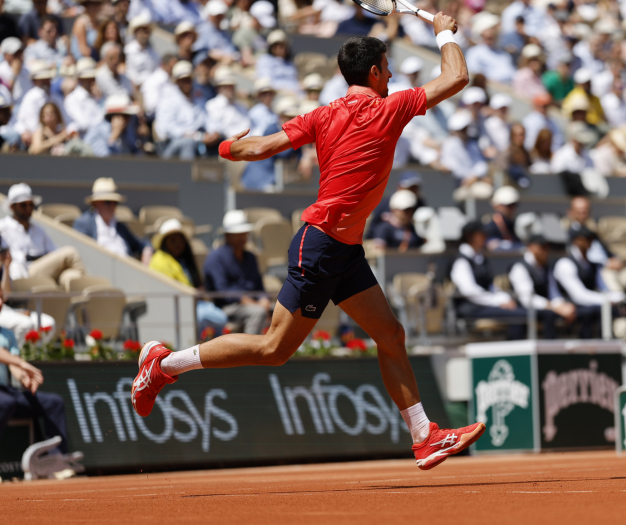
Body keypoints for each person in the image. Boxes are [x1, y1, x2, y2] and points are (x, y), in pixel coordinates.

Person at [130, 24, 486, 470]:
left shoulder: (322, 114)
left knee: (391, 334)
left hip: (344, 250)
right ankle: (163, 366)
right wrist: (444, 34)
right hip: (320, 246)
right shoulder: (390, 108)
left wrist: (226, 146)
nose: (392, 76)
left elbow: (260, 147)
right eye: (388, 70)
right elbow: (456, 77)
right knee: (272, 348)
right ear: (374, 72)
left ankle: (424, 436)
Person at [450, 220, 527, 340]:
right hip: (471, 308)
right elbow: (469, 291)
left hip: (484, 305)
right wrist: (497, 301)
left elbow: (490, 285)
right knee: (518, 316)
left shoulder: (481, 258)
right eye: (481, 234)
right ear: (470, 236)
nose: (485, 237)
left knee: (522, 312)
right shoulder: (461, 260)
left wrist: (504, 298)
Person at [149, 218, 227, 334]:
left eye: (180, 240)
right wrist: (193, 293)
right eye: (173, 240)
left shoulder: (183, 259)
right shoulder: (159, 260)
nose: (178, 244)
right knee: (213, 318)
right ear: (165, 242)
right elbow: (169, 289)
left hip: (193, 305)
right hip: (177, 308)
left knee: (220, 317)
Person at [0, 332, 71, 458]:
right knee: (6, 402)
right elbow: (12, 359)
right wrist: (22, 363)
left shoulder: (8, 333)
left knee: (54, 403)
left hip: (5, 390)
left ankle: (57, 460)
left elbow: (12, 363)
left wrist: (23, 378)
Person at [0, 184, 85, 285]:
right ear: (12, 206)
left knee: (70, 276)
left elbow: (54, 252)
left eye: (31, 205)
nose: (28, 208)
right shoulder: (3, 227)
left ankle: (88, 297)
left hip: (43, 271)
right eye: (23, 205)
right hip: (22, 273)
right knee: (70, 253)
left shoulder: (38, 229)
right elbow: (11, 261)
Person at [202, 210, 268, 335]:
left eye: (244, 233)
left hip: (252, 303)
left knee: (283, 310)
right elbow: (222, 291)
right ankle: (249, 352)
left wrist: (263, 299)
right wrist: (245, 300)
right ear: (227, 235)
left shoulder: (250, 257)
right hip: (226, 307)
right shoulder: (215, 258)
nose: (242, 237)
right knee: (257, 312)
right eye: (237, 234)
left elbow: (259, 285)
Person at [553, 227, 625, 339]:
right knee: (596, 310)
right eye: (586, 238)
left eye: (592, 238)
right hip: (570, 310)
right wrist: (608, 299)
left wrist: (616, 298)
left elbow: (603, 288)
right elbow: (579, 296)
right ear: (576, 241)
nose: (590, 241)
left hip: (591, 308)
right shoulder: (565, 264)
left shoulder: (593, 266)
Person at [508, 235, 577, 339]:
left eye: (547, 247)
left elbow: (553, 293)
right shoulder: (519, 267)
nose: (545, 251)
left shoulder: (546, 268)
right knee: (550, 315)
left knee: (578, 311)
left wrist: (563, 306)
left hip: (545, 309)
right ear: (530, 247)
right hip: (523, 312)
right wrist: (555, 307)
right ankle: (550, 352)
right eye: (542, 247)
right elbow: (527, 299)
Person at [72, 178, 152, 262]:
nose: (112, 206)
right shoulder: (84, 223)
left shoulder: (119, 226)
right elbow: (83, 254)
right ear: (95, 203)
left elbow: (141, 243)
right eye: (107, 202)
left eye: (115, 202)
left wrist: (147, 250)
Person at [155, 60, 218, 159]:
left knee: (220, 143)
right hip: (170, 146)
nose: (186, 83)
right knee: (188, 143)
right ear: (176, 81)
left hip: (198, 142)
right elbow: (169, 130)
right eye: (183, 79)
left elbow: (208, 120)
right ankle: (188, 174)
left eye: (188, 79)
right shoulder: (168, 100)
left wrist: (214, 133)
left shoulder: (197, 100)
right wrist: (198, 136)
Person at [441, 110, 492, 202]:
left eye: (465, 128)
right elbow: (451, 166)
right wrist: (472, 178)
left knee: (487, 191)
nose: (464, 131)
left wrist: (474, 177)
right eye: (462, 129)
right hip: (457, 186)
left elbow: (481, 164)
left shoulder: (472, 144)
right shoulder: (449, 144)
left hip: (473, 183)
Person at [63, 58, 103, 137]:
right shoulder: (72, 99)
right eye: (88, 78)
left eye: (93, 77)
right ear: (80, 79)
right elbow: (84, 124)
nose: (92, 80)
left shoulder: (97, 95)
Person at [256, 30, 301, 96]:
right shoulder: (265, 60)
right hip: (276, 96)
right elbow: (266, 82)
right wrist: (284, 91)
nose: (281, 49)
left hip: (296, 96)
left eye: (283, 46)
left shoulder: (290, 63)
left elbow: (295, 81)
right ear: (271, 47)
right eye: (277, 46)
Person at [124, 14, 159, 87]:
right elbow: (129, 72)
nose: (145, 35)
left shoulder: (153, 51)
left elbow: (156, 70)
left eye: (147, 32)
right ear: (136, 32)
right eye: (143, 31)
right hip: (136, 87)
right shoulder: (128, 50)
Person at [484, 186, 521, 251]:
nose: (512, 209)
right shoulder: (490, 226)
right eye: (508, 205)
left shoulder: (514, 224)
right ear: (497, 206)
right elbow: (491, 245)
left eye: (514, 205)